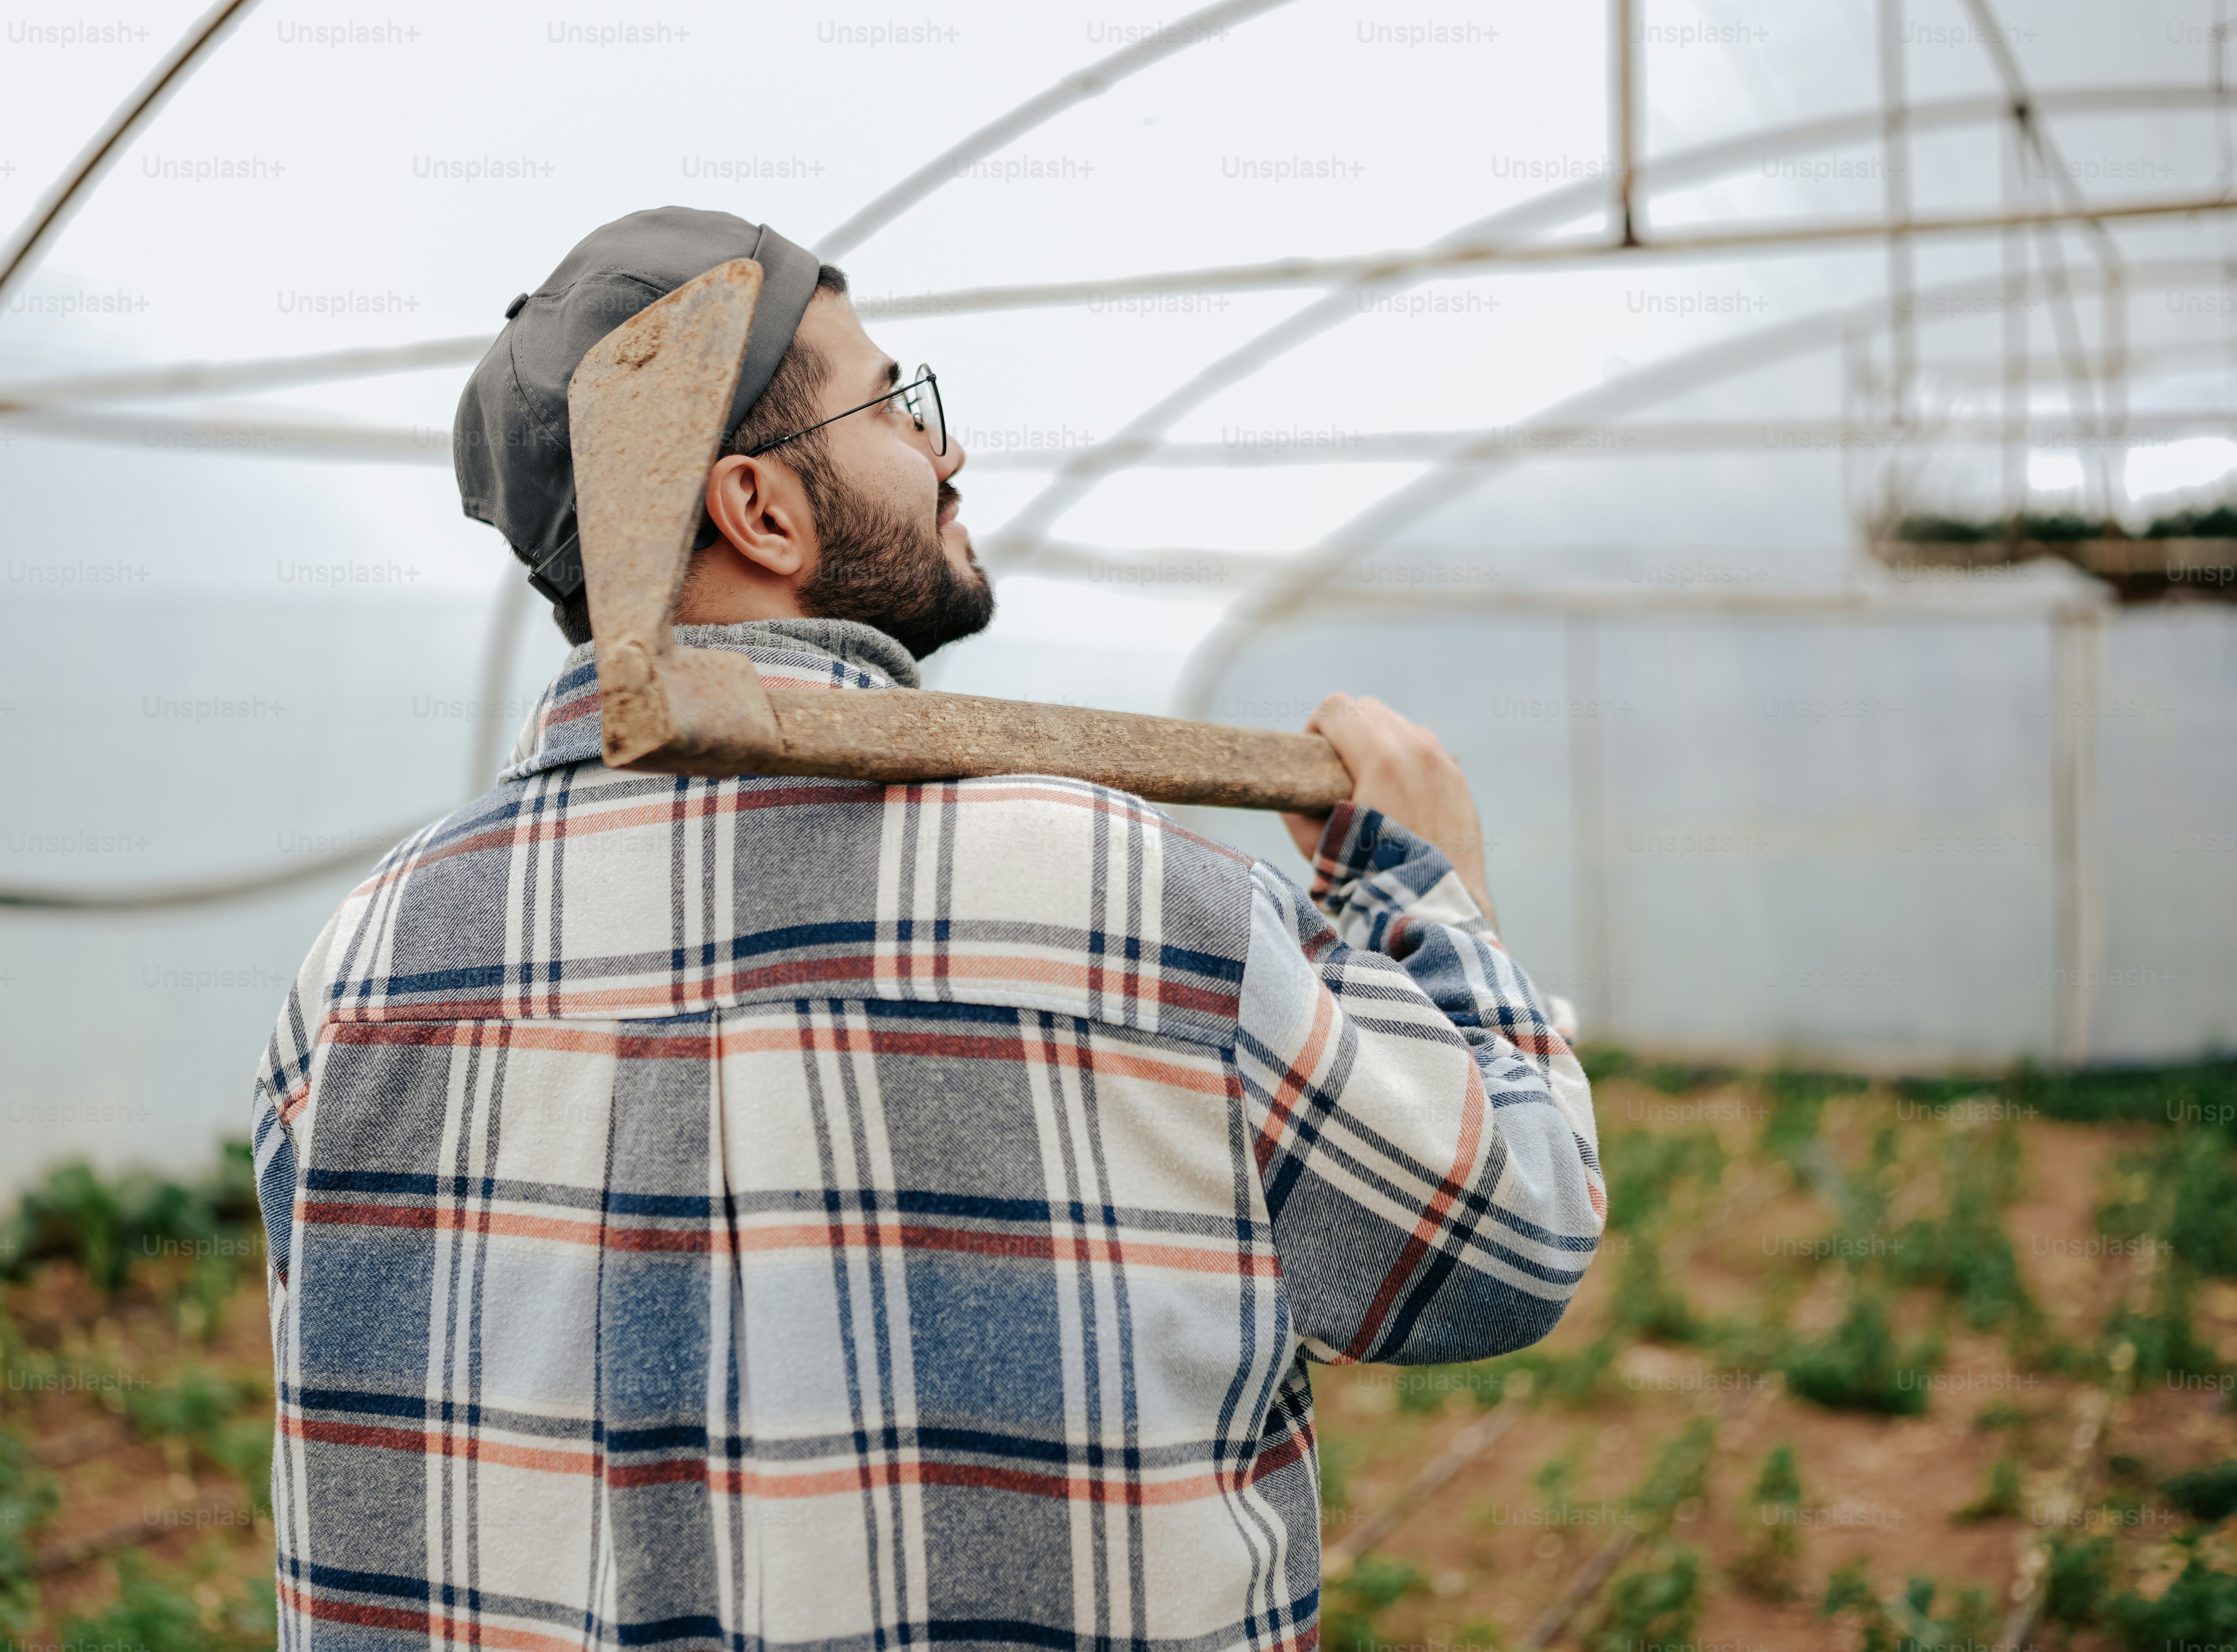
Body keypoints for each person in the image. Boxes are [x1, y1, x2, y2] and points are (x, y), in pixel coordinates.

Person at [253, 207, 1603, 1650]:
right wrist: (1427, 899)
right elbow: (1504, 1244)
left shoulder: (356, 975)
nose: (948, 454)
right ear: (759, 510)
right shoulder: (1137, 906)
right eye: (899, 405)